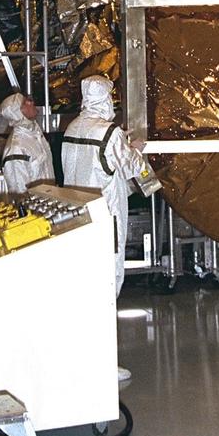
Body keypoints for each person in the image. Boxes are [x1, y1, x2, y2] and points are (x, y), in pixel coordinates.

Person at [61, 75, 157, 382]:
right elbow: (131, 167)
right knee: (105, 291)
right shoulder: (109, 132)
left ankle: (77, 355)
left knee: (81, 290)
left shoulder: (74, 127)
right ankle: (101, 364)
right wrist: (137, 148)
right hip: (105, 222)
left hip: (76, 219)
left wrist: (120, 144)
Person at [0, 91, 54, 197]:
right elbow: (19, 193)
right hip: (36, 209)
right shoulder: (16, 148)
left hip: (49, 203)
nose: (31, 102)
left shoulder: (35, 135)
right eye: (25, 102)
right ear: (17, 113)